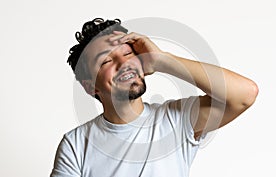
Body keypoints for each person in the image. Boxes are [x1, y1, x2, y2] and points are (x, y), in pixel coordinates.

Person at [50, 18, 258, 177]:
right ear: (90, 87)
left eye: (128, 53)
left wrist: (162, 60)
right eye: (105, 61)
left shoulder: (177, 119)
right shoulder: (76, 144)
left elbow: (244, 94)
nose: (124, 63)